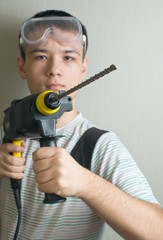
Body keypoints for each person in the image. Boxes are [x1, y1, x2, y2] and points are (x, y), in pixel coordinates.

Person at [0, 9, 163, 240]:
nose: (54, 70)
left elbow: (158, 232)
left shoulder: (99, 145)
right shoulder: (8, 129)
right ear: (21, 66)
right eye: (40, 56)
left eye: (68, 57)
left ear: (84, 68)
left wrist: (86, 183)